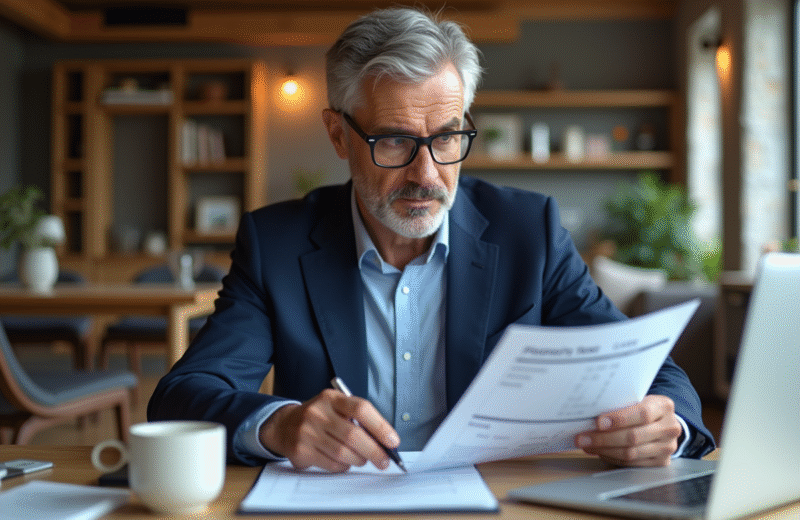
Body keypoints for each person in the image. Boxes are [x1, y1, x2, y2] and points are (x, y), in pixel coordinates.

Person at [148, 7, 715, 472]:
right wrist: (279, 424)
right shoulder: (277, 244)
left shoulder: (529, 232)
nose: (426, 174)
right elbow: (183, 395)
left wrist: (668, 426)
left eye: (446, 138)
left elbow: (651, 370)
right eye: (395, 141)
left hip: (499, 501)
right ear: (338, 134)